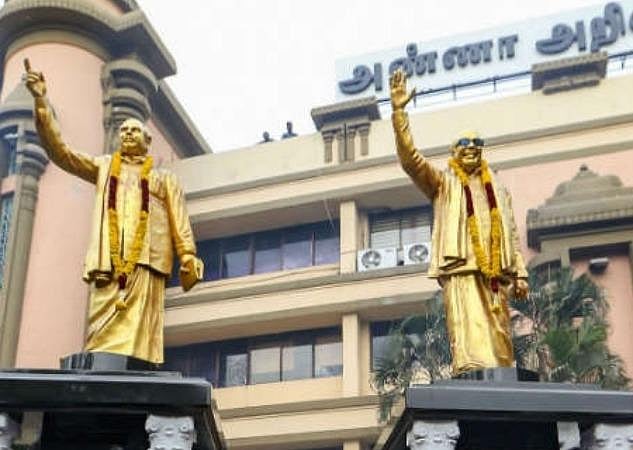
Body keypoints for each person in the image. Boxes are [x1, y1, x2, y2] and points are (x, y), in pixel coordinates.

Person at [24, 60, 203, 364]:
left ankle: (136, 367)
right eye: (124, 131)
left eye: (135, 130)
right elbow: (62, 153)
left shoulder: (164, 179)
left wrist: (187, 255)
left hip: (147, 261)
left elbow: (179, 220)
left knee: (140, 336)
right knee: (101, 331)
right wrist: (41, 101)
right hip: (109, 261)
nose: (128, 134)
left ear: (148, 141)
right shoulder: (105, 167)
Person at [389, 69, 529, 375]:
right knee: (469, 339)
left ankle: (502, 378)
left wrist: (520, 273)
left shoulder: (498, 189)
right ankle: (470, 374)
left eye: (477, 142)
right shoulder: (443, 184)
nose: (471, 147)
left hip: (496, 272)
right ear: (454, 152)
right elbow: (410, 160)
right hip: (461, 267)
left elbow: (512, 233)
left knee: (502, 345)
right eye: (464, 143)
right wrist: (399, 113)